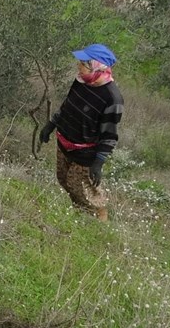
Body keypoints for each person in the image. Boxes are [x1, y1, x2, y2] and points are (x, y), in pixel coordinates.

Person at [38, 43, 124, 221]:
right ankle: (79, 213)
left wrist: (99, 162)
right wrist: (51, 125)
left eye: (83, 63)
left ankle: (99, 221)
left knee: (84, 190)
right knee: (63, 179)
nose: (78, 66)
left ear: (97, 66)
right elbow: (68, 105)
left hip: (86, 152)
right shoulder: (81, 81)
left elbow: (109, 134)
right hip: (64, 141)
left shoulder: (112, 98)